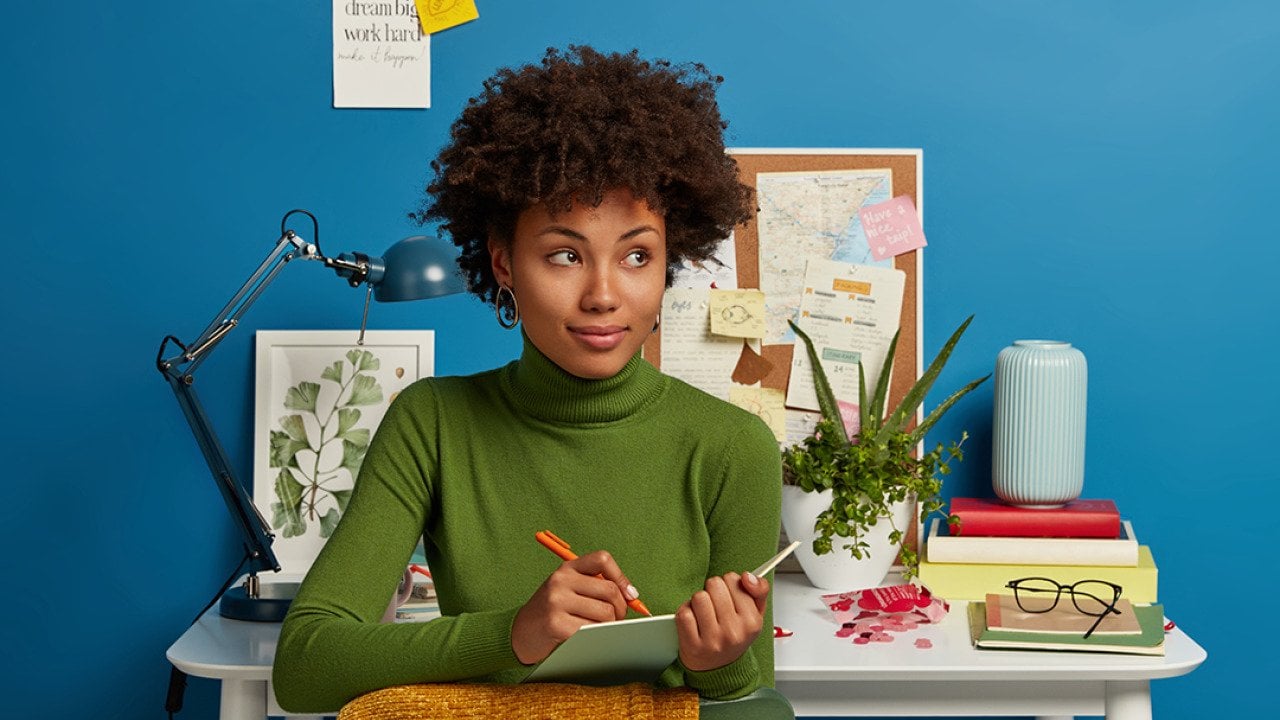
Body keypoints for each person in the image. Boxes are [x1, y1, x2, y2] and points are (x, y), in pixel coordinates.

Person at [273, 45, 782, 713]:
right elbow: (306, 666)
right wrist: (515, 634)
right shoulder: (433, 423)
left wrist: (714, 663)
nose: (603, 294)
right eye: (565, 254)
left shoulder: (733, 447)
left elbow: (747, 703)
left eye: (636, 255)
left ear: (668, 262)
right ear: (504, 263)